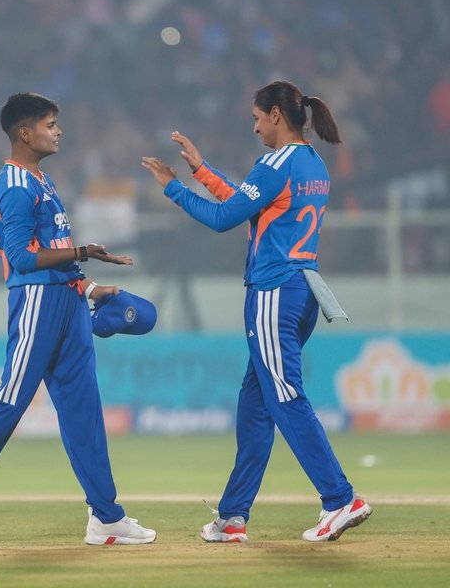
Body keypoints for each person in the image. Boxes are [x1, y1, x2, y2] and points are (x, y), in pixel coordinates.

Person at [0, 92, 156, 547]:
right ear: (25, 132)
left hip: (67, 302)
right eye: (50, 123)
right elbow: (24, 258)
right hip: (36, 305)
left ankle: (106, 516)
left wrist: (87, 286)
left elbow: (55, 253)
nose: (58, 130)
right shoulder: (14, 184)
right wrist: (83, 252)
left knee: (84, 414)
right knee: (9, 404)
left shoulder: (42, 180)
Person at [141, 80, 372, 543]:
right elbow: (250, 201)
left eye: (255, 118)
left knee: (285, 397)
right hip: (304, 290)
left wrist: (173, 188)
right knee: (256, 404)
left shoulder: (274, 163)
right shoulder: (311, 163)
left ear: (275, 116)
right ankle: (232, 516)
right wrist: (202, 170)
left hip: (273, 292)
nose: (253, 127)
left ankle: (340, 498)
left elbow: (224, 218)